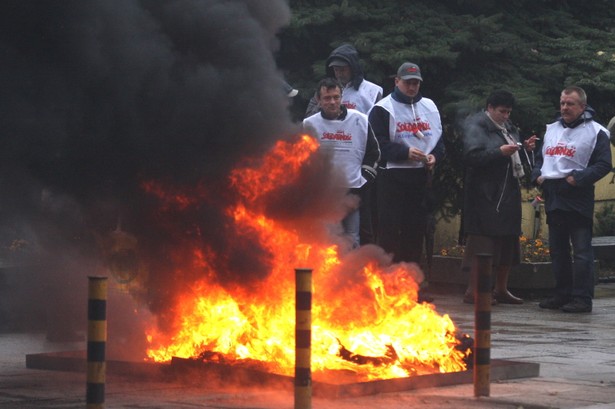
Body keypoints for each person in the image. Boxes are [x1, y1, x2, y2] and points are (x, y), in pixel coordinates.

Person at [368, 62, 444, 301]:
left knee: (415, 231)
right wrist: (403, 153)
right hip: (392, 176)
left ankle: (413, 286)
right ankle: (388, 286)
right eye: (408, 82)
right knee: (390, 231)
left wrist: (434, 157)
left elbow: (439, 140)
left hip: (419, 177)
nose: (412, 87)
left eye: (416, 83)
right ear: (397, 81)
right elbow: (376, 143)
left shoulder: (429, 106)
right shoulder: (382, 108)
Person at [532, 85, 612, 313]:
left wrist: (579, 179)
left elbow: (604, 164)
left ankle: (582, 298)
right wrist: (536, 175)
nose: (565, 107)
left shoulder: (596, 132)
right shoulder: (552, 129)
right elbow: (541, 158)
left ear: (582, 106)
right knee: (557, 249)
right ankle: (561, 294)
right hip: (554, 194)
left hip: (577, 196)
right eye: (563, 103)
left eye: (570, 104)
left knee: (581, 250)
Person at [460, 90, 538, 305]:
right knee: (483, 244)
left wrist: (525, 149)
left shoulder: (509, 127)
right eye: (502, 111)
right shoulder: (477, 126)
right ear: (490, 108)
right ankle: (473, 290)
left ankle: (501, 289)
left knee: (508, 242)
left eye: (509, 112)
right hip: (484, 195)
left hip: (508, 191)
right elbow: (471, 157)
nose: (506, 116)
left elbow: (513, 156)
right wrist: (499, 152)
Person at [305, 44, 383, 245]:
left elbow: (375, 146)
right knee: (325, 237)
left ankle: (356, 272)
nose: (339, 72)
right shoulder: (311, 119)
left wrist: (365, 177)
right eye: (335, 69)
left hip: (355, 184)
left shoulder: (372, 92)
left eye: (343, 68)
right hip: (324, 189)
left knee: (357, 234)